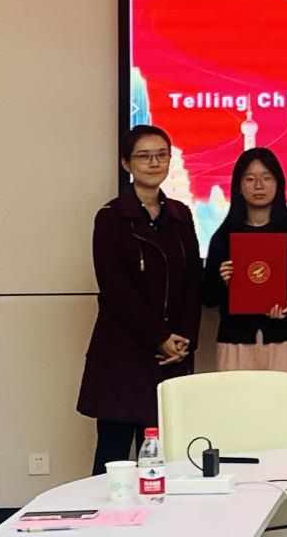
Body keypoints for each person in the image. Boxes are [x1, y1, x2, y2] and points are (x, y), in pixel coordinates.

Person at [77, 125, 203, 474]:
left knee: (166, 461)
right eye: (144, 156)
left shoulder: (180, 215)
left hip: (171, 357)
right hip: (123, 355)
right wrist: (159, 337)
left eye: (161, 155)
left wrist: (184, 338)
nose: (154, 162)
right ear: (126, 163)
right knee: (114, 459)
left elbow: (193, 280)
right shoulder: (111, 217)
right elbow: (115, 289)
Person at [203, 147, 287, 396]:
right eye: (250, 178)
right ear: (239, 186)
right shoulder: (223, 237)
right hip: (235, 340)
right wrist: (223, 281)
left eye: (267, 178)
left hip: (283, 339)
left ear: (278, 183)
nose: (259, 186)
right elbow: (208, 298)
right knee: (236, 412)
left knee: (283, 413)